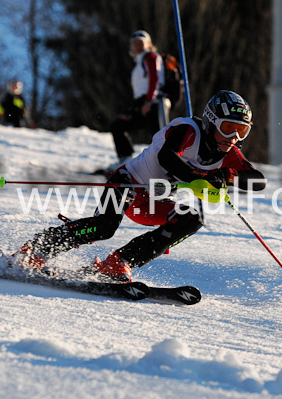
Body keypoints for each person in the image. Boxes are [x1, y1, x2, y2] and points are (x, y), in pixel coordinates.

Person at [13, 90, 266, 282]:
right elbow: (167, 158)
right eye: (229, 128)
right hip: (126, 182)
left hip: (150, 202)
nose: (234, 137)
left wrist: (227, 179)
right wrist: (198, 177)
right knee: (104, 227)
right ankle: (34, 250)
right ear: (211, 121)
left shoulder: (229, 152)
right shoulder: (187, 129)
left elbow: (257, 180)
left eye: (241, 131)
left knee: (192, 219)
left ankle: (118, 262)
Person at [104, 30, 168, 172]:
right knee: (118, 125)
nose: (138, 46)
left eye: (141, 43)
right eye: (135, 43)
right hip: (142, 103)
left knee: (159, 137)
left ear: (148, 45)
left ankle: (166, 168)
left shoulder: (150, 57)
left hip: (153, 103)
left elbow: (154, 79)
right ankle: (125, 159)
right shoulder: (140, 62)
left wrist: (149, 101)